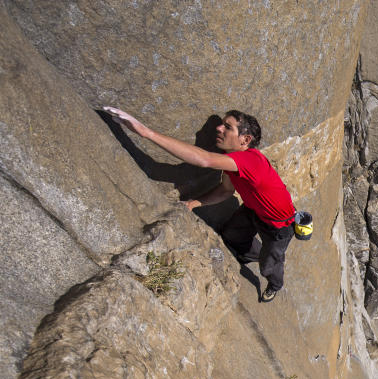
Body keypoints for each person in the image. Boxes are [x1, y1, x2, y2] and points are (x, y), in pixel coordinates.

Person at [104, 106, 295, 302]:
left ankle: (275, 283)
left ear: (245, 140)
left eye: (227, 127)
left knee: (269, 266)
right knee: (231, 235)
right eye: (221, 124)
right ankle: (259, 254)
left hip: (278, 224)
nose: (219, 129)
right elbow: (226, 190)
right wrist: (193, 203)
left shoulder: (250, 160)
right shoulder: (231, 162)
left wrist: (146, 132)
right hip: (253, 209)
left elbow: (204, 160)